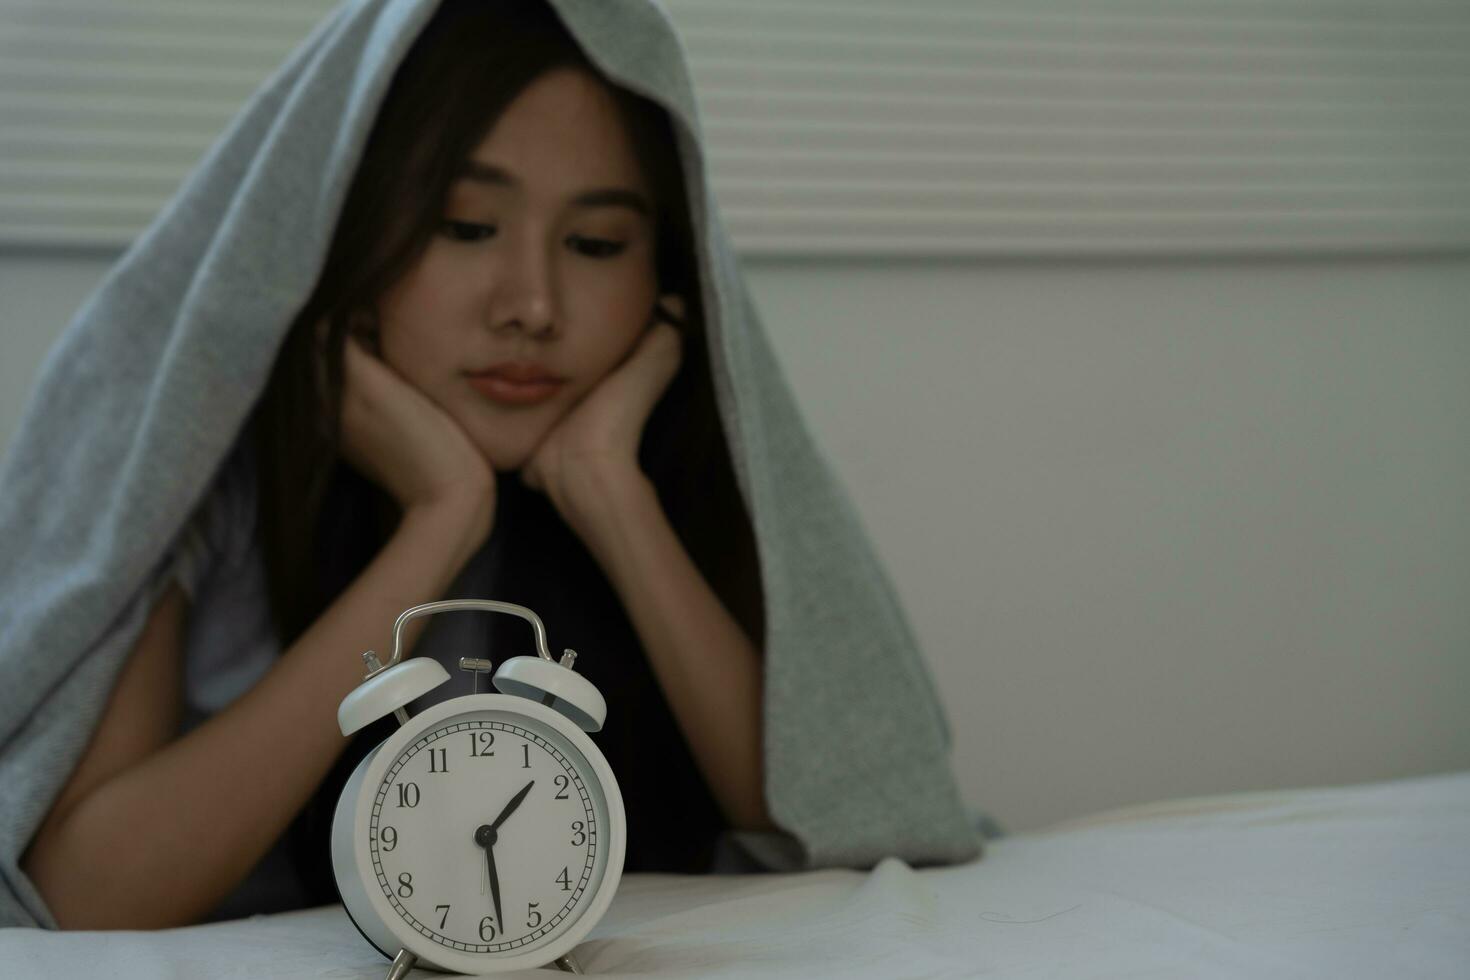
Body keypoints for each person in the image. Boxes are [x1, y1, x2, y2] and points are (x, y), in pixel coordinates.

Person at [0, 0, 984, 932]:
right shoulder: (201, 469)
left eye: (597, 243)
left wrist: (612, 492)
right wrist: (437, 522)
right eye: (466, 226)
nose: (533, 305)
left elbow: (845, 828)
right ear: (344, 227)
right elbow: (83, 892)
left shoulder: (671, 457)